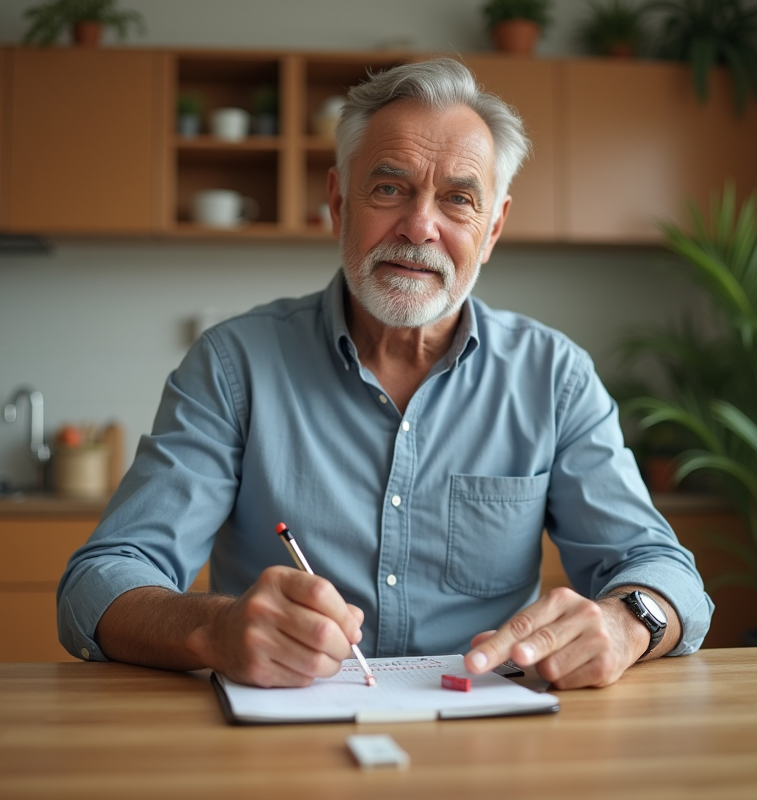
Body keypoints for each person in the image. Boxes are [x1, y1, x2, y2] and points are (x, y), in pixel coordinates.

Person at [57, 57, 712, 690]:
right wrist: (213, 628)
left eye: (458, 200)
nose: (420, 226)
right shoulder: (233, 367)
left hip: (489, 742)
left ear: (491, 230)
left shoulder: (554, 377)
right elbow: (99, 581)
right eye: (391, 188)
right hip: (279, 749)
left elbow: (662, 572)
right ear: (339, 203)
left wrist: (625, 626)